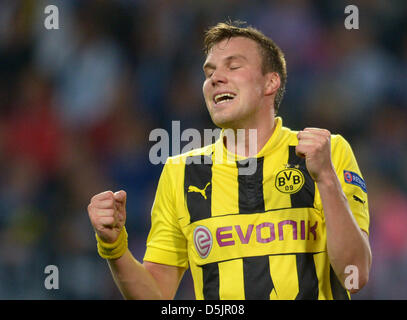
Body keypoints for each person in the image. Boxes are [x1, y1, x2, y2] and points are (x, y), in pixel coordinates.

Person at [87, 21, 371, 300]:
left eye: (233, 67)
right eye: (209, 72)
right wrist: (115, 247)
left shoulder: (326, 152)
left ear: (270, 82)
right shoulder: (181, 172)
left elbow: (354, 275)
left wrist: (325, 178)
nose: (215, 78)